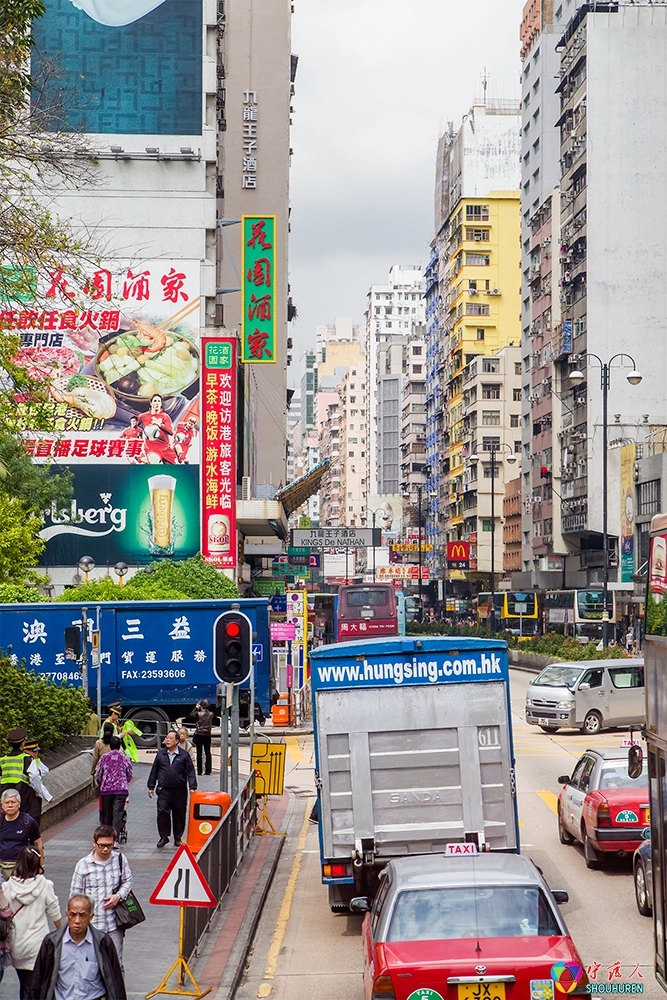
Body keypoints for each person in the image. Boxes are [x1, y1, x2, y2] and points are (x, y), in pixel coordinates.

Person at [28, 893, 126, 1000]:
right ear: (67, 915)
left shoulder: (102, 942)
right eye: (73, 915)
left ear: (91, 917)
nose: (77, 921)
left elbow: (116, 980)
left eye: (82, 915)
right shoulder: (52, 942)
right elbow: (37, 981)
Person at [69, 825, 133, 965]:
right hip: (91, 927)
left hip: (114, 926)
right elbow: (75, 897)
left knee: (116, 964)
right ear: (94, 842)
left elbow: (128, 881)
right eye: (102, 845)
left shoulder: (120, 860)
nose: (105, 849)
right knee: (90, 964)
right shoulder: (83, 865)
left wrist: (118, 896)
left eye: (109, 846)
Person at [4, 847, 62, 999]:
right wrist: (62, 931)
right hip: (38, 945)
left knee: (24, 984)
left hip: (17, 944)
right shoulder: (45, 885)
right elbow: (54, 912)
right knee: (34, 987)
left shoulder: (7, 887)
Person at [147, 730, 197, 848]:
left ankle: (178, 838)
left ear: (177, 741)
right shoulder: (161, 754)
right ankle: (164, 837)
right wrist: (151, 787)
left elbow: (190, 772)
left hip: (179, 790)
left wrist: (192, 787)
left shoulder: (184, 755)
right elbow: (154, 771)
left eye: (170, 738)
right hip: (164, 790)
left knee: (179, 814)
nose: (167, 740)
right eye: (167, 738)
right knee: (162, 812)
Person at [0, 790, 43, 880]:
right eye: (7, 802)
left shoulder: (28, 822)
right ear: (2, 805)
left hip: (22, 867)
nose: (10, 805)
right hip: (1, 869)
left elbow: (38, 844)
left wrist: (40, 866)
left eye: (13, 802)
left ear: (19, 804)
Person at [95, 738, 132, 838]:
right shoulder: (124, 758)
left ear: (110, 746)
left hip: (106, 790)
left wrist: (103, 781)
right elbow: (129, 773)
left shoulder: (104, 757)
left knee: (107, 814)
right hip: (121, 790)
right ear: (120, 745)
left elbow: (99, 773)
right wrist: (124, 782)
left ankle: (106, 836)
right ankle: (115, 839)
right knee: (118, 814)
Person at [0, 728, 40, 821]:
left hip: (5, 794)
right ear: (23, 744)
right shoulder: (27, 758)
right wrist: (37, 790)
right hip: (23, 793)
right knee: (28, 819)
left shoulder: (2, 760)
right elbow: (34, 776)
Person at [138, 393, 178, 464]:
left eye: (159, 401)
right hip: (151, 448)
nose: (157, 403)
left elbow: (171, 432)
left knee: (174, 470)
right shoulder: (143, 416)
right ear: (151, 403)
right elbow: (133, 426)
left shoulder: (165, 416)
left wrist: (160, 425)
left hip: (166, 448)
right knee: (154, 461)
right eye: (155, 401)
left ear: (161, 403)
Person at [22, 741, 53, 826]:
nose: (36, 753)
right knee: (32, 819)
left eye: (37, 751)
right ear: (26, 751)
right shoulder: (26, 761)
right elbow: (35, 781)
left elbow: (45, 771)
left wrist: (36, 761)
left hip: (35, 794)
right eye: (33, 751)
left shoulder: (34, 760)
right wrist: (48, 796)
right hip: (30, 794)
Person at [190, 699, 214, 776]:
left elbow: (191, 714)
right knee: (208, 753)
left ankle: (199, 771)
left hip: (199, 734)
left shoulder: (198, 714)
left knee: (199, 753)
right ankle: (208, 770)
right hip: (207, 735)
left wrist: (196, 707)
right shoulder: (211, 714)